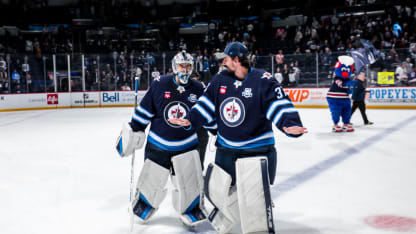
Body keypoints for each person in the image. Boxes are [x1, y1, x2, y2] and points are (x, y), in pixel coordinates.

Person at [169, 42, 307, 234]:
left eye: (226, 58)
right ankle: (230, 217)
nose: (223, 61)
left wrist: (289, 122)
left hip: (256, 149)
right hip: (226, 149)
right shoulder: (220, 80)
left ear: (236, 60)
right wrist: (190, 119)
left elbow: (279, 103)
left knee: (253, 197)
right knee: (218, 191)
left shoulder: (263, 79)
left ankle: (258, 218)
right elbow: (205, 105)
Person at [115, 51, 207, 227]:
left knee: (189, 182)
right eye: (182, 66)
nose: (185, 70)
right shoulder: (159, 84)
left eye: (188, 66)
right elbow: (144, 112)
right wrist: (134, 130)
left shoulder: (198, 88)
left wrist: (220, 131)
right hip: (158, 145)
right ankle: (144, 203)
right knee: (152, 180)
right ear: (174, 67)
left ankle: (191, 208)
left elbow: (206, 115)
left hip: (187, 146)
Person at [326, 56, 355, 132]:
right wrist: (350, 84)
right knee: (336, 111)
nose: (346, 71)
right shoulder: (337, 78)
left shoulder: (348, 79)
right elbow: (341, 84)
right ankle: (335, 125)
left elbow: (348, 90)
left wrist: (350, 89)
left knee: (347, 111)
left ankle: (345, 124)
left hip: (345, 98)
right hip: (334, 98)